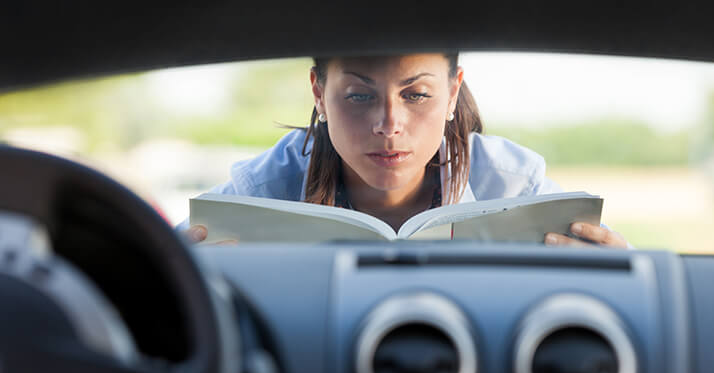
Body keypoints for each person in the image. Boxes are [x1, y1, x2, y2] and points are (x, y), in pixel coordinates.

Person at [179, 53, 629, 248]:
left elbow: (613, 265)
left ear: (453, 92)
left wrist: (619, 271)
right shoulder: (258, 190)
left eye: (416, 95)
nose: (389, 125)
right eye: (359, 96)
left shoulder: (516, 185)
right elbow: (156, 268)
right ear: (319, 92)